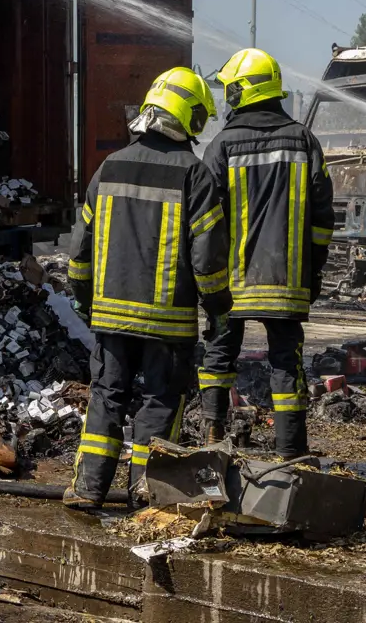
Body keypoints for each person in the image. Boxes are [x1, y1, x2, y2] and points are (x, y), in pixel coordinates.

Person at [63, 67, 232, 509]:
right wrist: (218, 309)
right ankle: (146, 493)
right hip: (168, 322)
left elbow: (80, 249)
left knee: (106, 398)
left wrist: (84, 302)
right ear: (187, 116)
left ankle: (87, 490)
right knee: (160, 401)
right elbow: (208, 258)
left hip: (111, 317)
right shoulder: (195, 174)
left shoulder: (109, 165)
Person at [197, 48, 334, 459]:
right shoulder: (304, 140)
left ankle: (212, 441)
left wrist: (206, 281)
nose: (227, 98)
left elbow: (204, 219)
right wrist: (313, 272)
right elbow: (323, 217)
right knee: (286, 362)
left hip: (230, 282)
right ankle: (291, 452)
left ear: (242, 91)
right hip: (287, 279)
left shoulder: (221, 146)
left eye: (230, 90)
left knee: (219, 354)